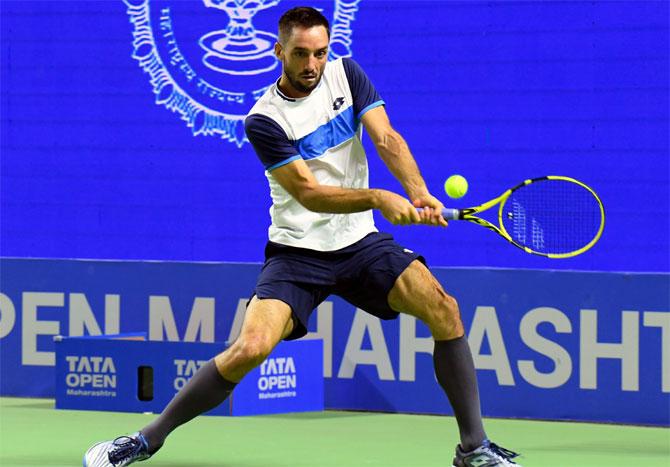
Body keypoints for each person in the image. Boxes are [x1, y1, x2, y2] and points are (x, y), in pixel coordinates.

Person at [83, 6, 520, 467]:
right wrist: (379, 198)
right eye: (301, 54)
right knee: (249, 349)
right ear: (279, 52)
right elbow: (308, 193)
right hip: (297, 252)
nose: (312, 64)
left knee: (444, 309)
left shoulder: (347, 75)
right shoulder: (264, 120)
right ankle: (145, 439)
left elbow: (387, 138)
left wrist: (418, 192)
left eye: (320, 53)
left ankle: (474, 448)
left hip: (360, 244)